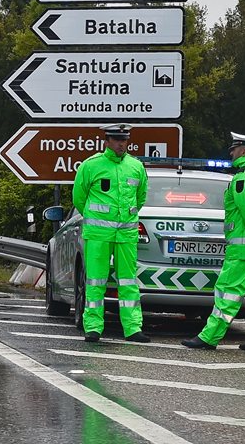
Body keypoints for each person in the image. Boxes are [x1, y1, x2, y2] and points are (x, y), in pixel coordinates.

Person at [182, 132, 245, 352]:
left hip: (243, 247)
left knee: (227, 290)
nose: (232, 153)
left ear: (244, 151)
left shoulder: (244, 177)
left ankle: (209, 337)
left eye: (234, 149)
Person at [72, 123, 149, 343]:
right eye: (116, 140)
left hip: (126, 234)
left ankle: (133, 328)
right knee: (96, 281)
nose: (121, 144)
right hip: (98, 234)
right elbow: (79, 197)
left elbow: (140, 197)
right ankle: (93, 327)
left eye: (124, 140)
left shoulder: (136, 166)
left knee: (128, 281)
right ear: (106, 141)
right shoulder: (91, 165)